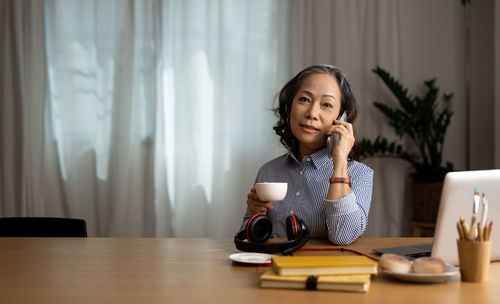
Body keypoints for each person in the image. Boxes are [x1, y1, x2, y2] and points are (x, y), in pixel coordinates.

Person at [241, 64, 373, 245]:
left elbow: (343, 236)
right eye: (304, 99)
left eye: (327, 104)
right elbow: (247, 237)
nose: (312, 113)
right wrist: (256, 214)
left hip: (326, 271)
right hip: (273, 269)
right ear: (289, 107)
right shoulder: (269, 171)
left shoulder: (360, 174)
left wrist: (340, 161)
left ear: (341, 118)